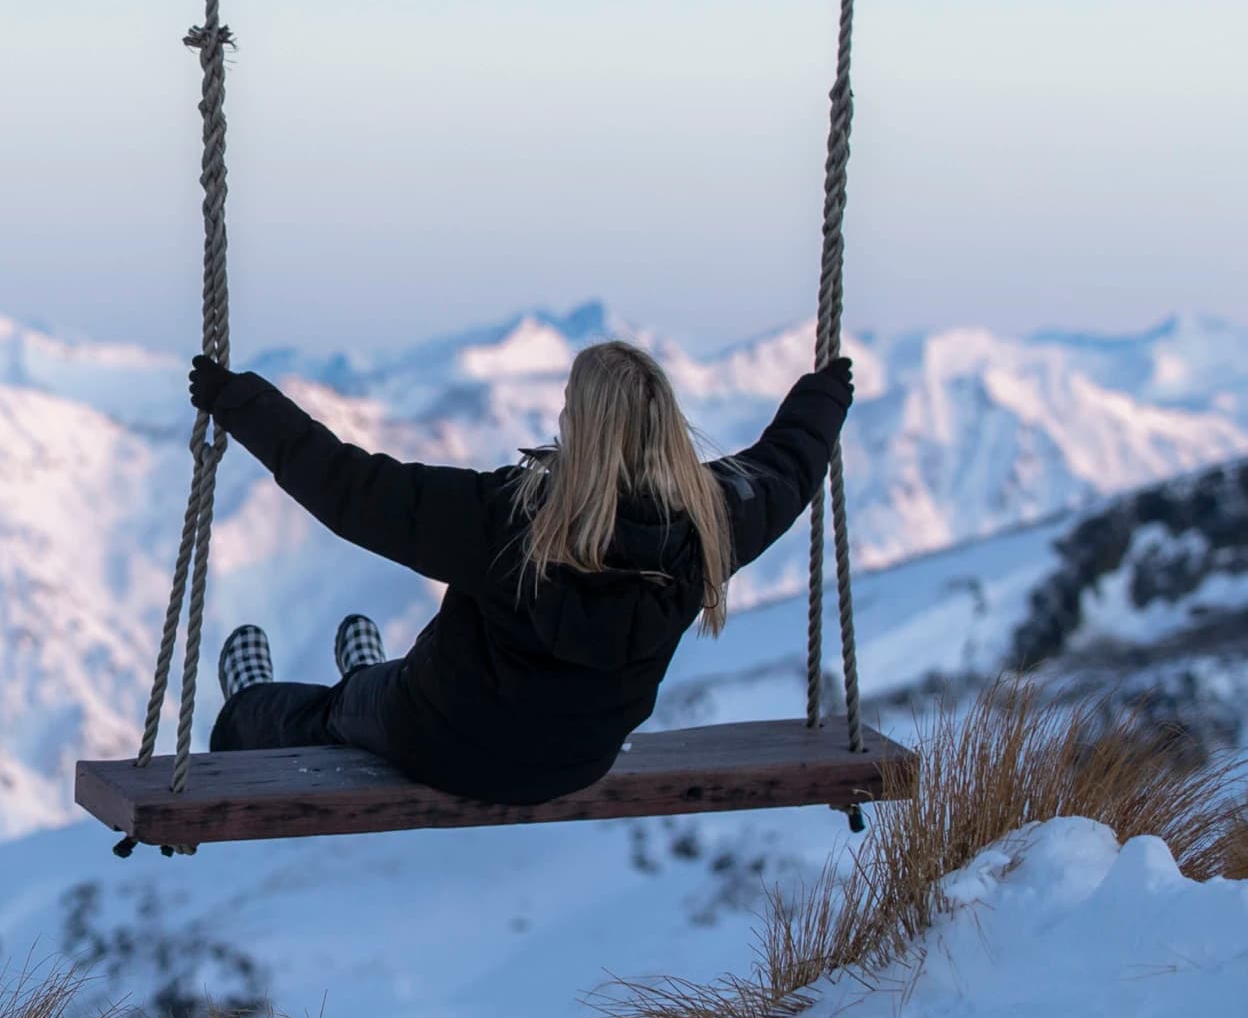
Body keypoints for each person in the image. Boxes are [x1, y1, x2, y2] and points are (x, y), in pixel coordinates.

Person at [189, 340, 853, 805]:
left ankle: (249, 701)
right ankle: (367, 668)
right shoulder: (711, 526)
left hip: (440, 736)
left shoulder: (513, 521)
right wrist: (825, 397)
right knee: (382, 690)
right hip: (578, 759)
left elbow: (350, 488)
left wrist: (236, 399)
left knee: (335, 713)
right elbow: (788, 467)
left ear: (582, 425)